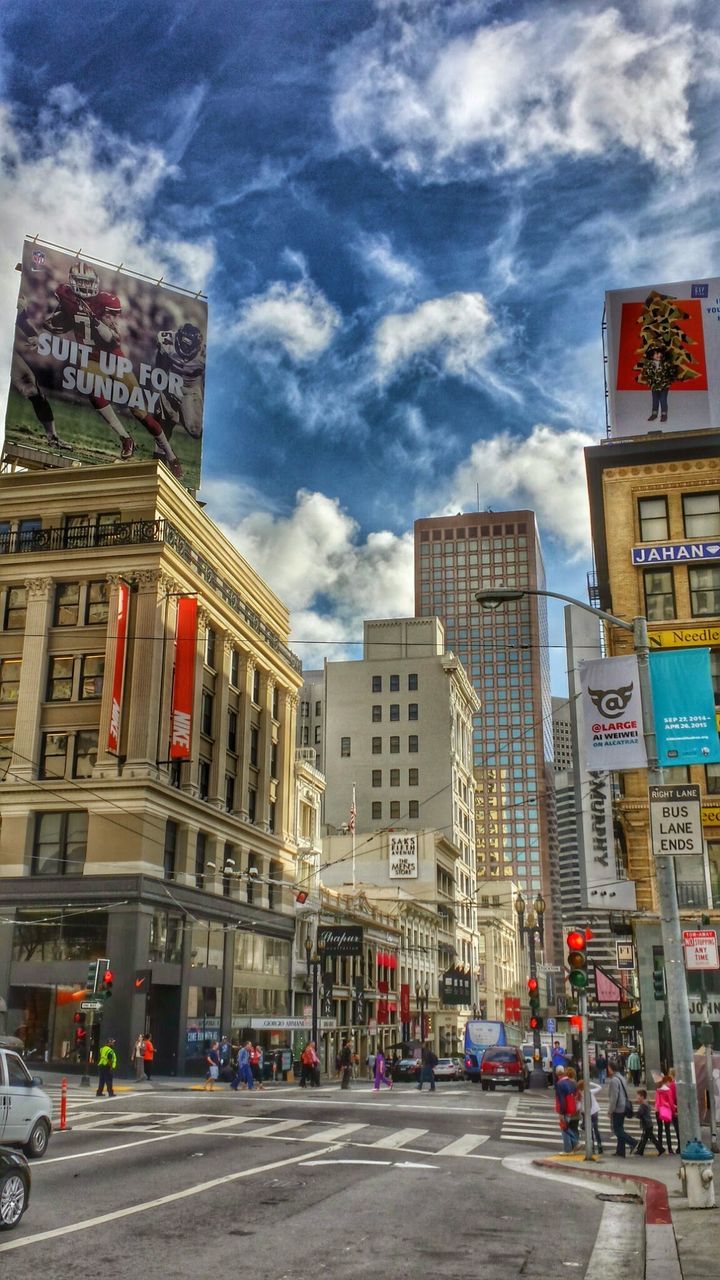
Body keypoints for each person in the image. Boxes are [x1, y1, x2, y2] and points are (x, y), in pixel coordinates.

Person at [607, 1062, 637, 1157]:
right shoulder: (621, 1078)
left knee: (617, 1130)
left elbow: (614, 1097)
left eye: (608, 1068)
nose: (607, 1070)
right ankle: (620, 1151)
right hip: (623, 1106)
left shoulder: (614, 1080)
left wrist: (610, 1111)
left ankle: (632, 1142)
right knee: (620, 1128)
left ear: (611, 1069)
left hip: (618, 1108)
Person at [555, 1066, 579, 1153]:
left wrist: (561, 1112)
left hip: (565, 1110)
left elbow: (562, 1100)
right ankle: (572, 1146)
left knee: (564, 1128)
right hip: (572, 1109)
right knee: (568, 1127)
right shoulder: (572, 1083)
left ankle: (573, 1145)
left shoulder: (560, 1084)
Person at [577, 1077, 603, 1154]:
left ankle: (592, 1148)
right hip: (594, 1112)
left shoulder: (580, 1095)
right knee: (596, 1129)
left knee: (590, 1131)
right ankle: (600, 1146)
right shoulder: (590, 1092)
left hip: (587, 1114)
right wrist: (590, 1083)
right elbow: (599, 1087)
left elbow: (579, 1107)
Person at [635, 1088, 663, 1156]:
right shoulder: (646, 1103)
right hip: (648, 1124)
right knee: (649, 1138)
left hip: (646, 1124)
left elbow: (639, 1114)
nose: (636, 1097)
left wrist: (634, 1114)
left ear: (642, 1096)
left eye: (638, 1096)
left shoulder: (643, 1105)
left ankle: (640, 1151)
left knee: (646, 1138)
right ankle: (640, 1150)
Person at [655, 1075, 675, 1154]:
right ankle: (669, 1148)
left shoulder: (658, 1090)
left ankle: (660, 1148)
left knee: (660, 1129)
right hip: (666, 1110)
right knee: (667, 1130)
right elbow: (670, 1102)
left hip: (658, 1110)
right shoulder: (668, 1090)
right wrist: (673, 1112)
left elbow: (656, 1101)